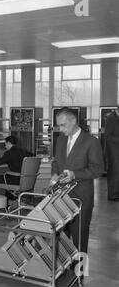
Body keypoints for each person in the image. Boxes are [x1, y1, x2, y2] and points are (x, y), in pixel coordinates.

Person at [51, 108, 104, 253]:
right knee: (61, 238)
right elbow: (56, 162)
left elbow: (97, 169)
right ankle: (63, 272)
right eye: (58, 126)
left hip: (81, 198)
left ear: (73, 121)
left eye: (63, 125)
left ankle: (79, 273)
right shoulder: (60, 140)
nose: (60, 129)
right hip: (60, 197)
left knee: (80, 240)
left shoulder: (91, 142)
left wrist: (75, 174)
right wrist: (55, 174)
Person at [105, 105, 119, 201]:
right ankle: (112, 195)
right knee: (115, 172)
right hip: (113, 150)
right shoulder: (111, 118)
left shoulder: (116, 117)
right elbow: (108, 137)